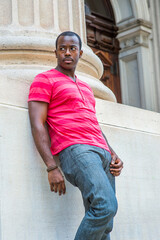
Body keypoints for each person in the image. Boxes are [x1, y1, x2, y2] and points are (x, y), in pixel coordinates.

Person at [28, 31, 123, 240]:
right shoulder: (44, 79)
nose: (67, 53)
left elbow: (92, 123)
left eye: (72, 49)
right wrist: (51, 166)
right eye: (62, 49)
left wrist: (113, 153)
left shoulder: (86, 88)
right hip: (76, 149)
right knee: (106, 206)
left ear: (80, 53)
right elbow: (37, 123)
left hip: (101, 152)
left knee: (105, 223)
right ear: (56, 52)